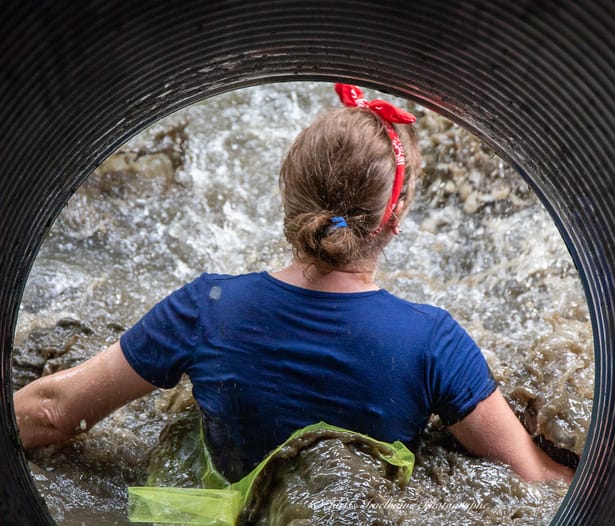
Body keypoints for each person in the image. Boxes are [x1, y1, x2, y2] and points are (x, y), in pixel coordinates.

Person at [14, 84, 574, 485]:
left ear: (288, 200)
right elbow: (532, 478)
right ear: (394, 218)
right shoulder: (434, 342)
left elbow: (52, 412)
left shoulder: (206, 306)